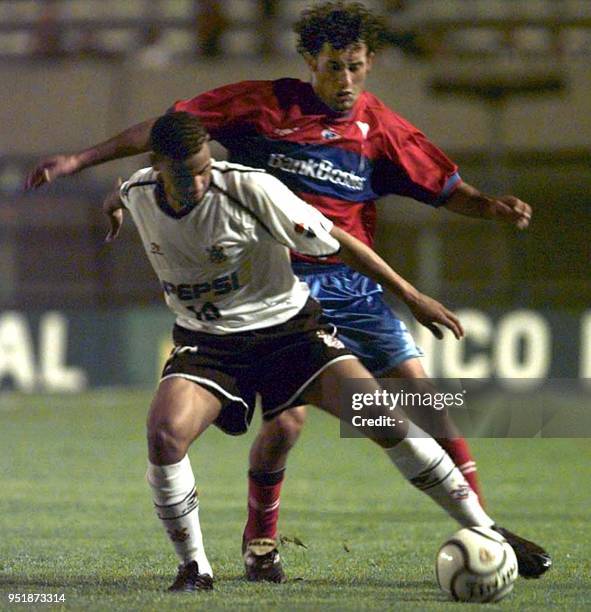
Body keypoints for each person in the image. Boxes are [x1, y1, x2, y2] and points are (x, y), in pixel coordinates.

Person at [25, 1, 547, 582]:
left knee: (427, 402)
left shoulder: (384, 130)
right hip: (281, 286)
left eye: (354, 67)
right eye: (332, 67)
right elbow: (166, 133)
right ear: (309, 63)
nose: (344, 81)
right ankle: (261, 541)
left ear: (370, 62)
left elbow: (443, 186)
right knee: (287, 424)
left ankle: (485, 529)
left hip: (353, 282)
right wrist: (82, 160)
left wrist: (489, 207)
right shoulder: (261, 105)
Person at [99, 111, 546, 592]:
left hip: (287, 331)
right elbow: (120, 192)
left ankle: (484, 526)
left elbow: (342, 243)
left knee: (385, 419)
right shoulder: (142, 191)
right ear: (158, 165)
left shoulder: (251, 189)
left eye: (205, 166)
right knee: (165, 435)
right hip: (207, 342)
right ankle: (195, 568)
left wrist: (412, 296)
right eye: (186, 172)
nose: (200, 180)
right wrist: (116, 208)